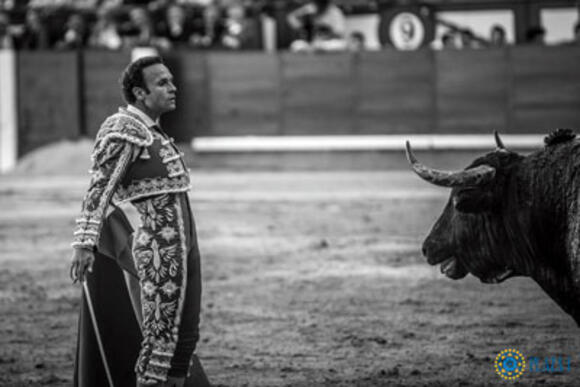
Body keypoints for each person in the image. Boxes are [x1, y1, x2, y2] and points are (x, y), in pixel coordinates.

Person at [70, 56, 209, 387]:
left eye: (171, 81)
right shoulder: (125, 130)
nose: (173, 88)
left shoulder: (153, 132)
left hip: (184, 249)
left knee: (183, 341)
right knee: (160, 345)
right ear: (140, 93)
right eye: (162, 83)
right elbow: (99, 188)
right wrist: (84, 242)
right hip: (160, 253)